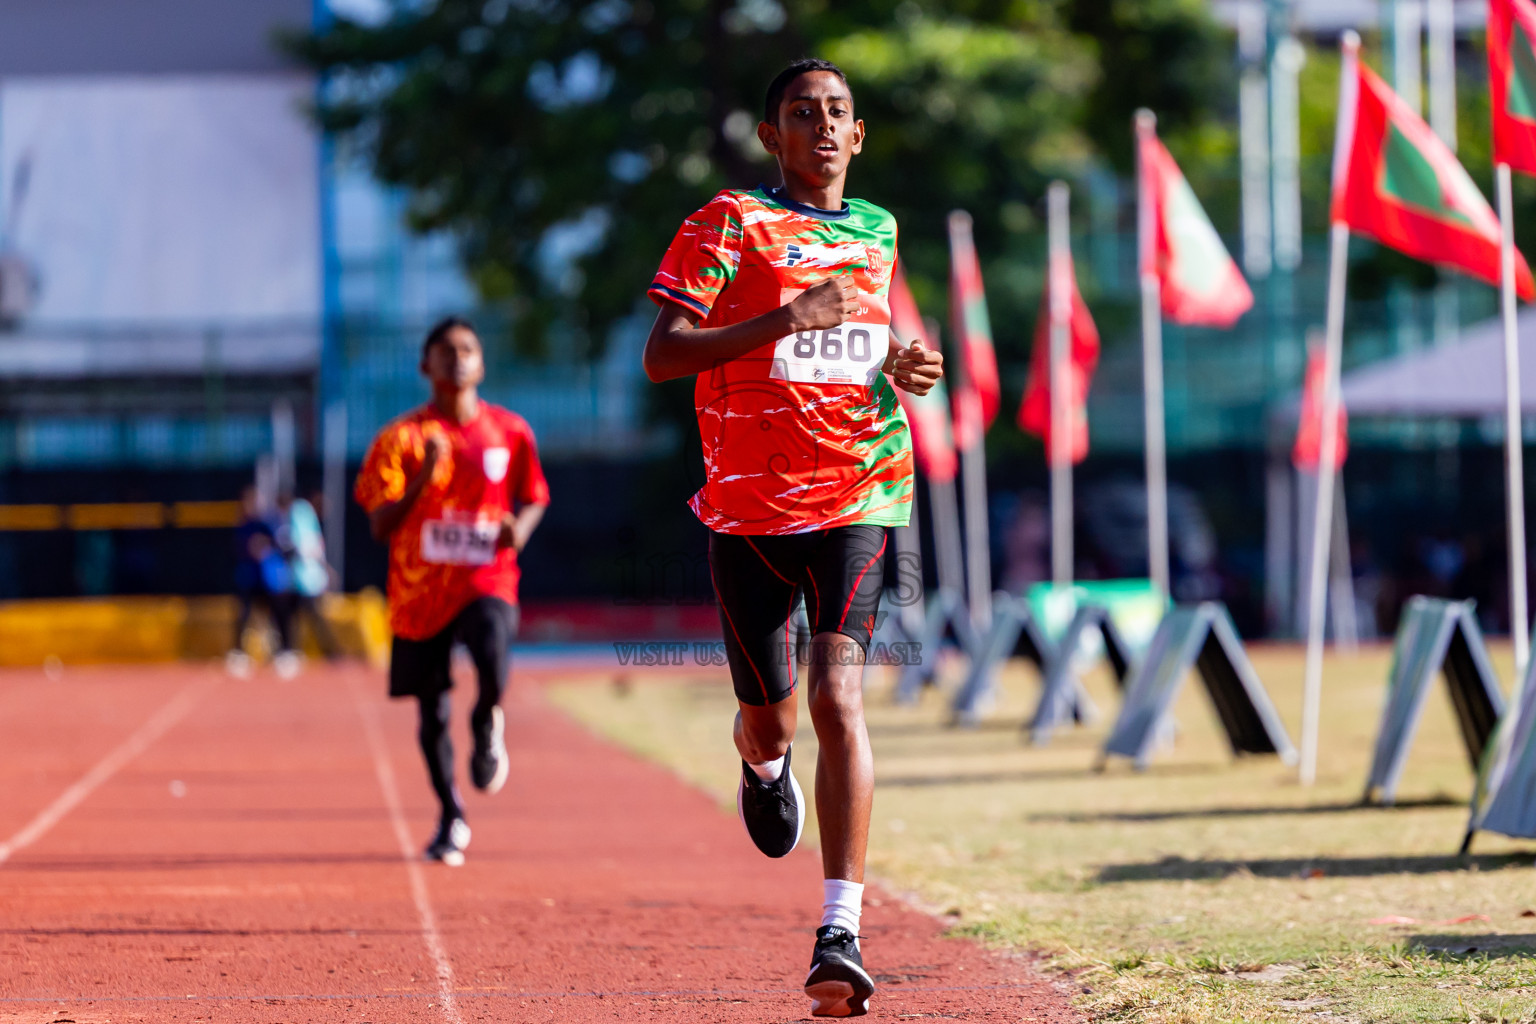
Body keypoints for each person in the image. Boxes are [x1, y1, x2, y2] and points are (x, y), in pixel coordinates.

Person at [643, 58, 943, 1018]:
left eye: (839, 113)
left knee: (838, 697)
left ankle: (840, 931)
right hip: (748, 508)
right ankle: (760, 760)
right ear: (771, 137)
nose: (822, 127)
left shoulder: (877, 230)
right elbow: (662, 355)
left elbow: (858, 342)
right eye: (801, 114)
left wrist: (902, 362)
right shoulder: (729, 221)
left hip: (862, 490)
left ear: (859, 136)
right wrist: (784, 317)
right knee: (771, 716)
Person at [354, 317, 549, 866]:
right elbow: (379, 525)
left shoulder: (510, 430)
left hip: (487, 575)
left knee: (492, 655)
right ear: (425, 366)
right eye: (444, 351)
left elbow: (533, 495)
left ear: (481, 363)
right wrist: (425, 474)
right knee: (432, 712)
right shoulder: (401, 439)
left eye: (467, 349)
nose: (456, 359)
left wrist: (522, 529)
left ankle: (488, 716)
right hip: (419, 593)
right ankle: (450, 815)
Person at [228, 483, 296, 679]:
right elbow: (239, 549)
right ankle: (239, 654)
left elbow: (282, 546)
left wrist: (266, 546)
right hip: (249, 579)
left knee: (280, 615)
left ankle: (285, 652)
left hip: (269, 580)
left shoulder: (268, 523)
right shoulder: (242, 526)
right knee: (243, 615)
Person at [277, 488, 341, 662]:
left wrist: (324, 570)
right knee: (298, 614)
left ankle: (292, 650)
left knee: (302, 615)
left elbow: (308, 546)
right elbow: (306, 545)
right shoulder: (303, 512)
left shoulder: (304, 514)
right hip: (303, 577)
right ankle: (292, 649)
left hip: (305, 578)